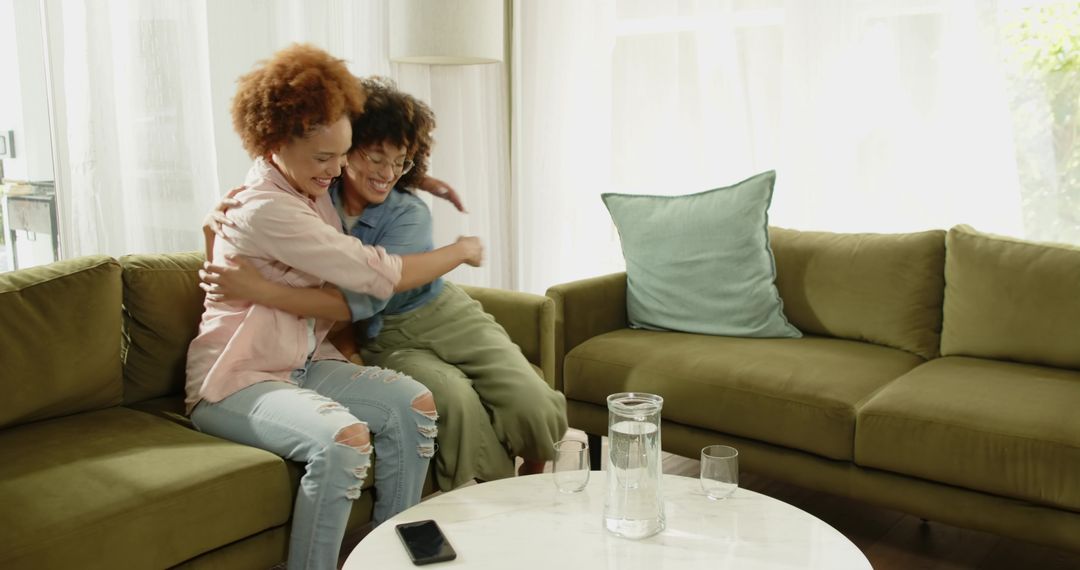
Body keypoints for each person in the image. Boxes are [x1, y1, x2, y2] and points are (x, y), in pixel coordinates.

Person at [185, 44, 483, 570]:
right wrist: (460, 250)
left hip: (302, 363)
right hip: (235, 379)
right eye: (324, 157)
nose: (335, 168)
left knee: (414, 405)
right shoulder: (269, 208)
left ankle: (390, 559)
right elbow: (375, 273)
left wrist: (424, 180)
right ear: (275, 142)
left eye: (342, 154)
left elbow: (372, 170)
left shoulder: (309, 183)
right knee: (343, 440)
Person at [201, 76, 569, 491]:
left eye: (401, 163)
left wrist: (457, 244)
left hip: (440, 312)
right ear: (347, 150)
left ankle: (534, 478)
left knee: (530, 398)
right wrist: (213, 222)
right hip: (381, 332)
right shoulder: (315, 192)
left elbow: (369, 290)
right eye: (376, 158)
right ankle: (487, 495)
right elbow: (268, 192)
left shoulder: (409, 213)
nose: (389, 173)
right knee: (455, 399)